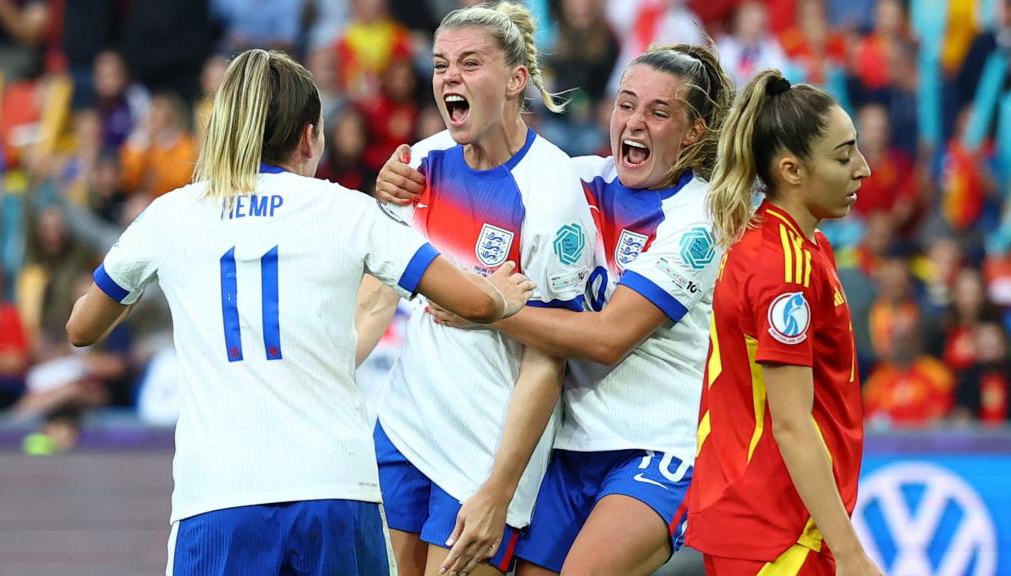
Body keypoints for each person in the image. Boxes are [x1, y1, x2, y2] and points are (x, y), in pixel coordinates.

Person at [65, 48, 535, 576]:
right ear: (309, 137)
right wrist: (501, 294)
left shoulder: (170, 215)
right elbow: (473, 301)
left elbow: (81, 328)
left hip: (217, 498)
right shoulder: (346, 210)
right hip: (335, 490)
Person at [378, 43, 732, 576]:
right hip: (564, 447)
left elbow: (608, 338)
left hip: (653, 446)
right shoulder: (575, 178)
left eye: (658, 113)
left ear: (693, 132)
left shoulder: (698, 219)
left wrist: (486, 308)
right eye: (626, 104)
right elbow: (482, 168)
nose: (634, 122)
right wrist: (396, 179)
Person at [366, 4, 598, 576]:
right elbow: (376, 295)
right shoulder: (420, 164)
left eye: (470, 63)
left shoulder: (550, 189)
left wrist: (499, 488)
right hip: (403, 428)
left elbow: (550, 356)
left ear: (516, 79)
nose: (450, 77)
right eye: (441, 64)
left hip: (483, 447)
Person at [686, 69, 881, 576]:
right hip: (776, 529)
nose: (863, 169)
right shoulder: (784, 272)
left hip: (769, 520)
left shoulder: (796, 246)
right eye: (844, 156)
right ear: (792, 170)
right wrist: (851, 552)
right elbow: (792, 425)